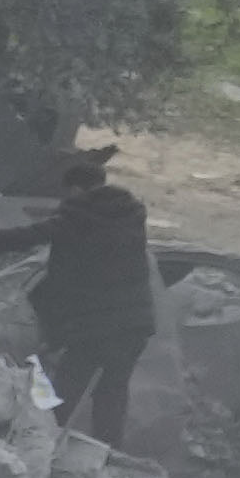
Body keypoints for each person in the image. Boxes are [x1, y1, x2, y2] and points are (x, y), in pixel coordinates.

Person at [27, 144, 159, 449]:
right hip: (134, 324)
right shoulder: (128, 218)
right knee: (111, 396)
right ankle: (109, 458)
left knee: (64, 393)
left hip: (98, 327)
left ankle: (41, 450)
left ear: (75, 189)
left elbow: (45, 255)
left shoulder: (79, 221)